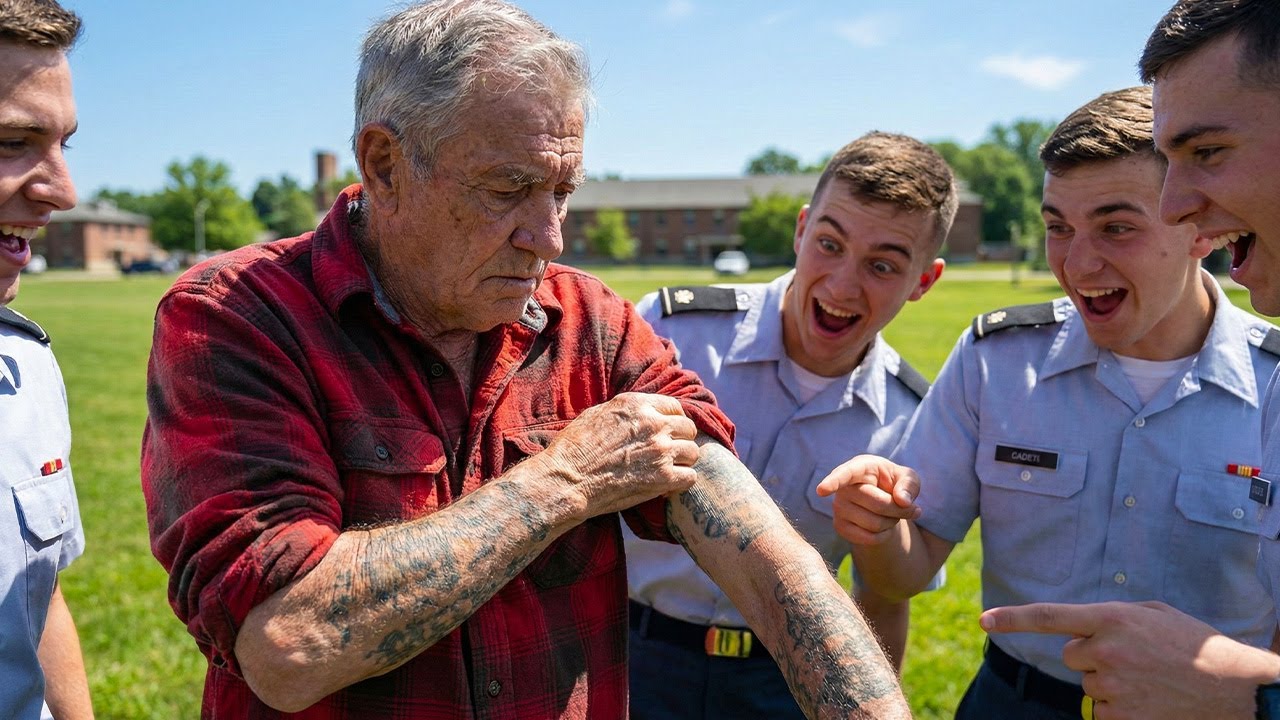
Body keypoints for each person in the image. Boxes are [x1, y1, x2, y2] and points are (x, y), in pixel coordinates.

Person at [139, 1, 910, 718]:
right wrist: (561, 483)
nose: (549, 236)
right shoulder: (236, 318)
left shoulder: (590, 322)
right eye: (508, 188)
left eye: (562, 190)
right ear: (383, 164)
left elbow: (772, 570)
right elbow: (288, 647)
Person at [817, 85, 1280, 720]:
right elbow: (903, 574)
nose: (1079, 263)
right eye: (1058, 227)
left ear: (1199, 226)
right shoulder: (997, 358)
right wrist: (876, 520)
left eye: (1117, 228)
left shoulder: (1275, 384)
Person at [978, 2, 1280, 719]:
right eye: (1058, 227)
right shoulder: (997, 352)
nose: (1179, 206)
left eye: (1208, 152)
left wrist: (1248, 694)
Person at [623, 131, 953, 719]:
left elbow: (882, 599)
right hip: (632, 652)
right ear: (801, 230)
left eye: (882, 265)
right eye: (829, 244)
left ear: (924, 281)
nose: (842, 285)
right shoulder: (675, 331)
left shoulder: (911, 415)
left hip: (782, 680)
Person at [0, 2, 93, 719]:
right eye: (11, 142)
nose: (61, 191)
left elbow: (41, 593)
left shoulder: (26, 369)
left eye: (61, 144)